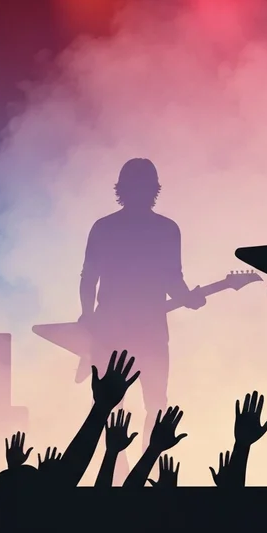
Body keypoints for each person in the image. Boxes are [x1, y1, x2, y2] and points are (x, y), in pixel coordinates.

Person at [79, 159, 206, 439]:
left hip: (116, 330)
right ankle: (143, 470)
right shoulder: (166, 229)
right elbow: (173, 279)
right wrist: (188, 298)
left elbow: (89, 279)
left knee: (118, 406)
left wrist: (89, 318)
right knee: (153, 404)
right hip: (144, 331)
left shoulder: (105, 227)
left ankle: (114, 471)